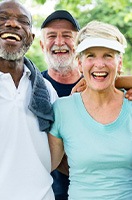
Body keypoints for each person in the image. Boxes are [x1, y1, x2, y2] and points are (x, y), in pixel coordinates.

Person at [47, 20, 132, 199]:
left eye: (108, 55)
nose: (99, 64)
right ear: (79, 63)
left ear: (119, 63)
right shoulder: (61, 109)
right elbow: (48, 164)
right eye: (90, 55)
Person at [0, 0, 57, 199]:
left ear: (31, 38)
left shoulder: (47, 90)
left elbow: (57, 151)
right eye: (3, 18)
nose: (13, 24)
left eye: (23, 21)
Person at [40, 10, 81, 200]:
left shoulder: (97, 86)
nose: (59, 42)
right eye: (51, 36)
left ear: (79, 45)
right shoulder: (32, 87)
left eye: (67, 36)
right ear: (42, 45)